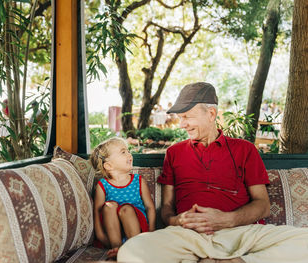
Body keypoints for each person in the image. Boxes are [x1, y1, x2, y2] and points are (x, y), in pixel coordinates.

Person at [117, 82, 308, 263]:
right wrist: (177, 220)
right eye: (180, 118)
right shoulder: (174, 153)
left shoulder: (245, 149)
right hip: (189, 236)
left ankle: (234, 261)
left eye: (187, 117)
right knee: (131, 251)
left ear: (211, 113)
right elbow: (167, 206)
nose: (182, 125)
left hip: (240, 233)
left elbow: (263, 205)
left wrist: (227, 219)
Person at [90, 137, 156, 259]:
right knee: (109, 206)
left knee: (126, 209)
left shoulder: (138, 181)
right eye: (123, 152)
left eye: (128, 150)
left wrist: (150, 233)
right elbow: (98, 214)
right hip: (114, 233)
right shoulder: (103, 186)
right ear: (109, 165)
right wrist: (100, 236)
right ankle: (117, 248)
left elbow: (150, 207)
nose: (129, 154)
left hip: (138, 232)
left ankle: (134, 248)